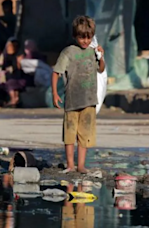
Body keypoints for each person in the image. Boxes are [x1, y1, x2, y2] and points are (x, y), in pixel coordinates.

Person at [51, 15, 105, 174]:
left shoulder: (93, 52)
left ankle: (81, 165)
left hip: (89, 101)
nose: (85, 41)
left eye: (89, 37)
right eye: (82, 37)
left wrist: (102, 57)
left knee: (85, 134)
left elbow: (101, 70)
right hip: (72, 100)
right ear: (75, 36)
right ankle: (70, 164)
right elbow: (56, 73)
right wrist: (55, 93)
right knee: (69, 133)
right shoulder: (68, 52)